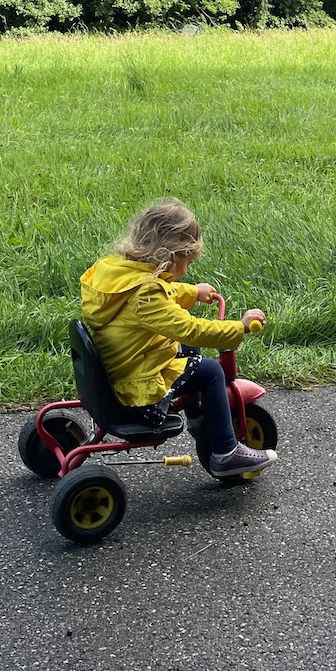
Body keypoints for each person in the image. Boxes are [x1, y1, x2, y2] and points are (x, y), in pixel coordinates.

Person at [79, 198, 277, 477]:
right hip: (138, 391)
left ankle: (197, 415)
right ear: (170, 257)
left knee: (186, 348)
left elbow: (161, 294)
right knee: (209, 371)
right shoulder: (147, 294)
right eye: (187, 261)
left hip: (124, 366)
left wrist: (192, 292)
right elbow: (189, 327)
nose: (187, 269)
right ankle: (225, 454)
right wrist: (239, 328)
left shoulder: (118, 271)